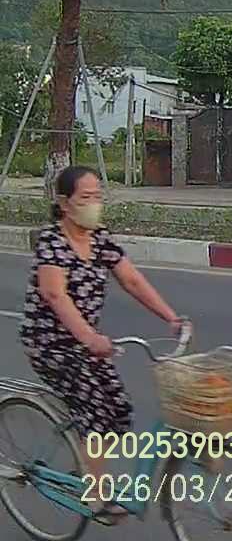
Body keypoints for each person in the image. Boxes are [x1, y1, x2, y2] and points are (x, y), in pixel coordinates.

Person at [19, 166, 183, 523]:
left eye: (98, 196)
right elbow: (55, 295)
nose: (94, 203)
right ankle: (94, 495)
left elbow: (132, 280)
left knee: (119, 409)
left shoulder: (100, 238)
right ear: (64, 203)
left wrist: (171, 318)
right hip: (50, 345)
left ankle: (88, 467)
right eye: (85, 197)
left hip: (85, 344)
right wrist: (89, 337)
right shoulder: (52, 242)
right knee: (96, 413)